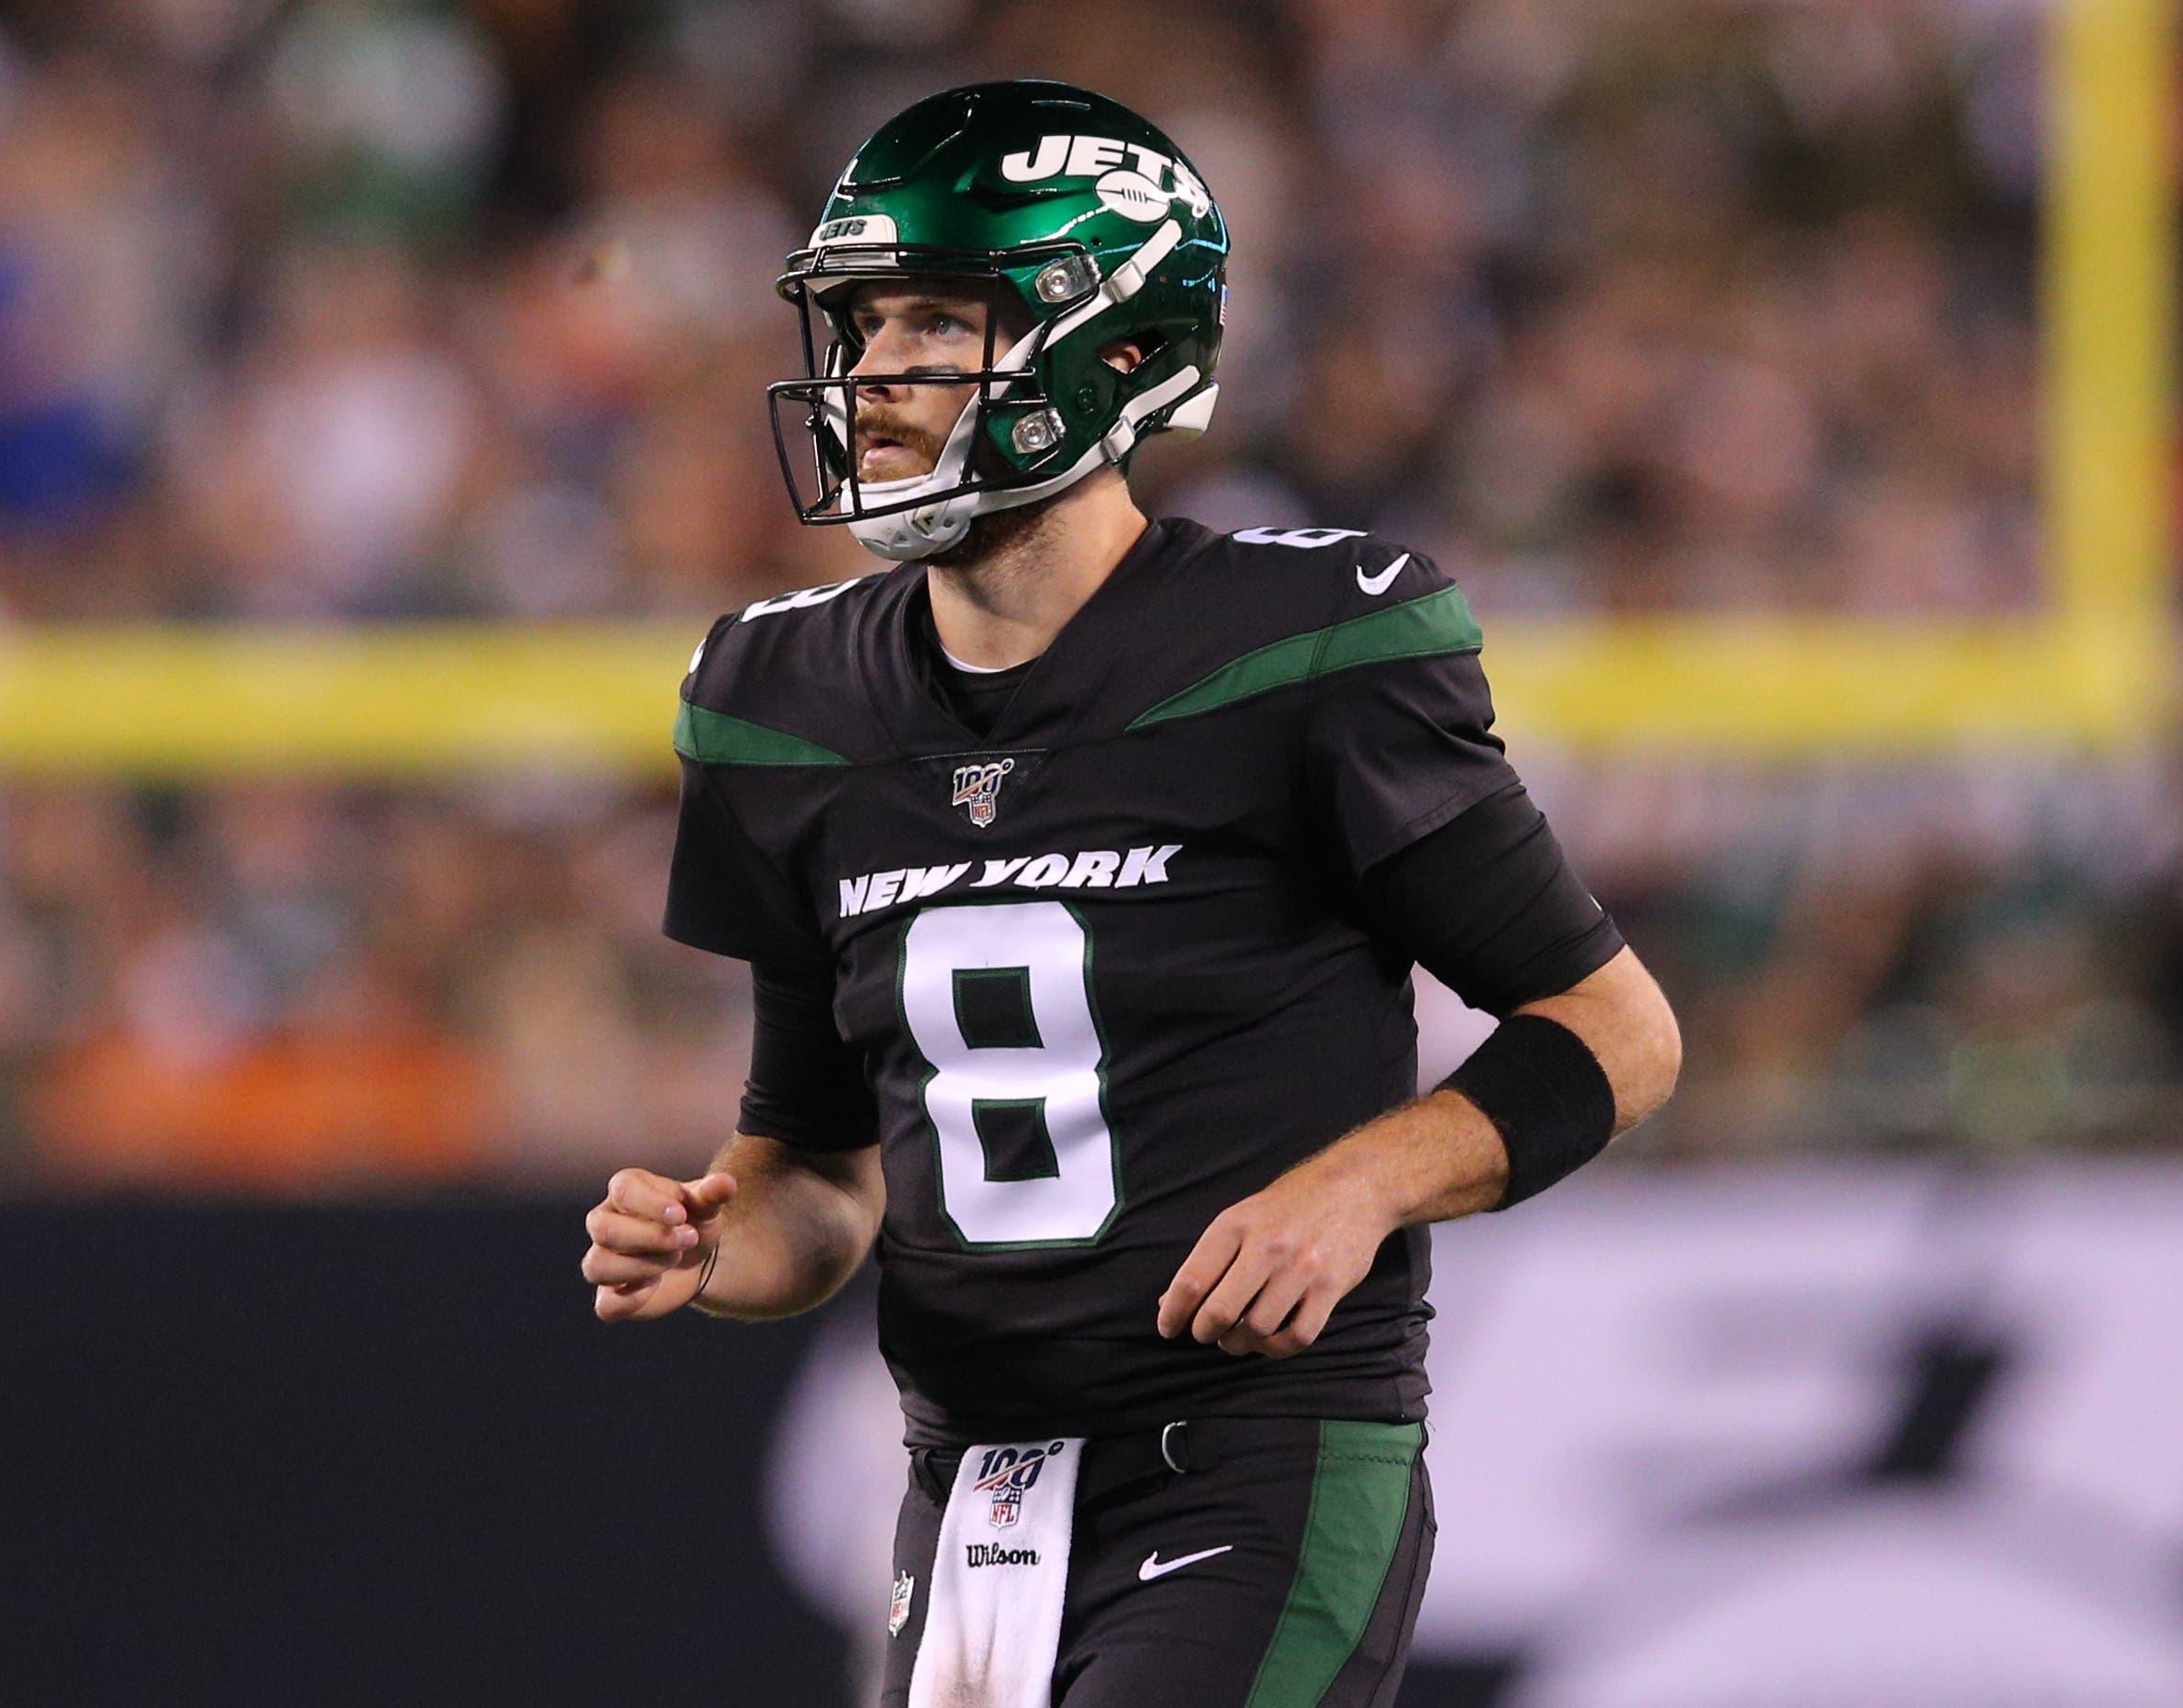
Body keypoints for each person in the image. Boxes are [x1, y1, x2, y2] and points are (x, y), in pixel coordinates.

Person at [582, 79, 1681, 1708]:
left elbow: (1616, 1031)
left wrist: (1362, 1184)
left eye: (938, 325)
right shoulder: (778, 698)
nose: (874, 376)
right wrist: (718, 1236)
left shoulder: (1303, 648)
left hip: (1252, 1454)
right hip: (968, 1491)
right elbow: (820, 1168)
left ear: (1110, 352)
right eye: (865, 324)